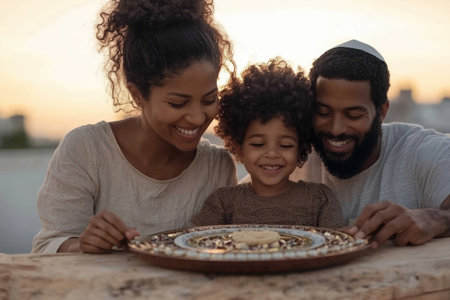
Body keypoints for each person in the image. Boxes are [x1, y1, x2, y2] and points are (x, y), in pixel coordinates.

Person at [31, 0, 237, 254]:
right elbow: (45, 247)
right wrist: (83, 244)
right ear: (138, 95)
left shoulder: (217, 166)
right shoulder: (87, 149)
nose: (196, 118)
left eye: (209, 100)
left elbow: (222, 249)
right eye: (177, 103)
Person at [291, 39, 450, 247]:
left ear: (382, 112)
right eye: (323, 112)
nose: (336, 128)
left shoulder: (423, 150)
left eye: (354, 115)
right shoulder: (292, 158)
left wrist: (436, 219)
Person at [191, 58, 345, 228]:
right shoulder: (223, 202)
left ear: (301, 148)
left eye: (285, 145)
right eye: (258, 144)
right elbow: (193, 242)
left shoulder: (320, 199)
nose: (272, 154)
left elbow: (339, 246)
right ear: (239, 147)